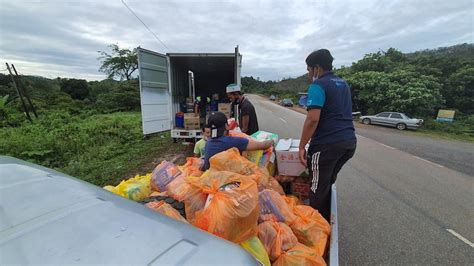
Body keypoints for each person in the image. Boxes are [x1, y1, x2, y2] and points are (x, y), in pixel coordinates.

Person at [298, 49, 357, 221]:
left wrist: (302, 146)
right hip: (349, 143)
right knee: (326, 183)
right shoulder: (343, 83)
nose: (309, 74)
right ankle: (324, 219)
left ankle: (315, 228)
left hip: (326, 146)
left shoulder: (318, 85)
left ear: (316, 68)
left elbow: (312, 119)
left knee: (316, 188)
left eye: (309, 70)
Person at [202, 112, 272, 170]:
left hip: (211, 178)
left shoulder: (209, 142)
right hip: (223, 181)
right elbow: (264, 145)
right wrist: (272, 141)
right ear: (226, 126)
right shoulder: (231, 141)